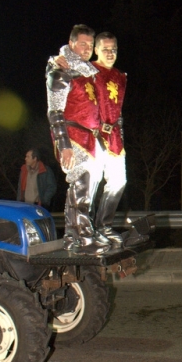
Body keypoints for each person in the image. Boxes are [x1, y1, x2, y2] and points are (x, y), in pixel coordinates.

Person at [53, 31, 127, 249]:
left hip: (112, 135)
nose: (110, 53)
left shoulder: (120, 76)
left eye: (113, 49)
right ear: (97, 50)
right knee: (86, 184)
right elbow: (65, 63)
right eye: (105, 49)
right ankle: (80, 233)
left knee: (118, 181)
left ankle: (103, 226)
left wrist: (120, 134)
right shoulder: (89, 71)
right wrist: (58, 59)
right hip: (90, 134)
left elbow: (118, 110)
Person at [46, 24, 108, 253]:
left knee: (86, 187)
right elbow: (55, 111)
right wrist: (64, 146)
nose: (86, 48)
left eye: (90, 45)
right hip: (73, 137)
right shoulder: (61, 71)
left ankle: (74, 235)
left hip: (92, 138)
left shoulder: (88, 71)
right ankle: (82, 234)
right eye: (82, 43)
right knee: (82, 183)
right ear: (72, 43)